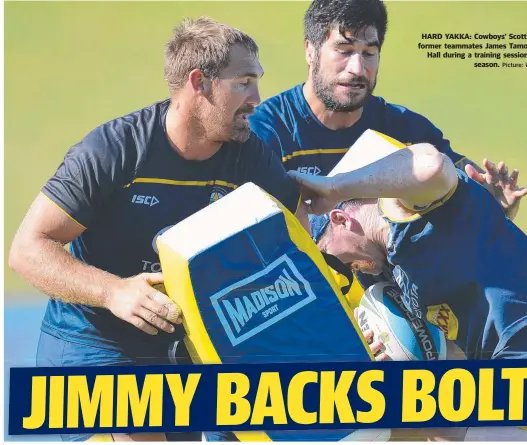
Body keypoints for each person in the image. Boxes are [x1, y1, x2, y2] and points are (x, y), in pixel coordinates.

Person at [8, 16, 305, 442]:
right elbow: (27, 249)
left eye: (256, 81)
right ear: (199, 83)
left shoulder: (250, 156)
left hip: (187, 348)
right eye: (243, 83)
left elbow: (295, 241)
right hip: (94, 345)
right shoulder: (114, 151)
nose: (257, 99)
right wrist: (114, 291)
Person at [289, 138, 527, 441]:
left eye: (327, 253)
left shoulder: (403, 209)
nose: (343, 268)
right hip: (512, 362)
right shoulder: (394, 270)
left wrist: (333, 187)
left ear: (340, 220)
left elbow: (430, 165)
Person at [248, 0, 527, 309]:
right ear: (310, 51)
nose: (357, 69)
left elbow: (454, 217)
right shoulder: (265, 133)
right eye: (343, 50)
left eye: (369, 53)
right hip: (303, 307)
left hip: (393, 308)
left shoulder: (406, 130)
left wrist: (490, 207)